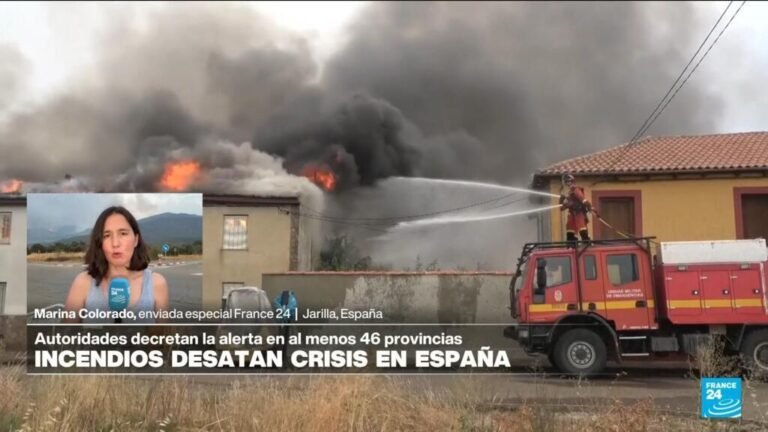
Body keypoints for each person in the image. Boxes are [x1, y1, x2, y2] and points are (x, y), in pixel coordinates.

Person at [64, 206, 169, 323]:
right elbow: (65, 336)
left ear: (136, 239)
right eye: (106, 236)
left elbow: (164, 338)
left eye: (123, 233)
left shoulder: (156, 283)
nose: (115, 243)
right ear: (99, 243)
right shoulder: (83, 282)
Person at [559, 174, 592, 242]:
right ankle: (571, 243)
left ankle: (586, 241)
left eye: (570, 181)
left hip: (578, 212)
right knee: (569, 226)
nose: (568, 183)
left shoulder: (576, 190)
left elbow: (582, 199)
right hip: (571, 213)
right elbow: (562, 208)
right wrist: (561, 201)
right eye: (567, 182)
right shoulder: (568, 193)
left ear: (573, 182)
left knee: (581, 226)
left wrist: (588, 205)